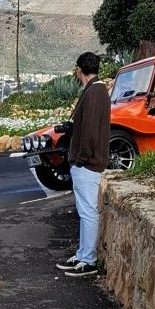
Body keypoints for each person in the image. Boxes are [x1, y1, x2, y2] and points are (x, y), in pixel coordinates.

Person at [55, 52, 111, 278]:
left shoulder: (95, 92)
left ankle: (88, 260)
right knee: (84, 210)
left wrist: (80, 158)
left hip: (87, 162)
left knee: (88, 211)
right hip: (86, 160)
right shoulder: (96, 91)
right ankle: (82, 254)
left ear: (79, 69)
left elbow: (89, 129)